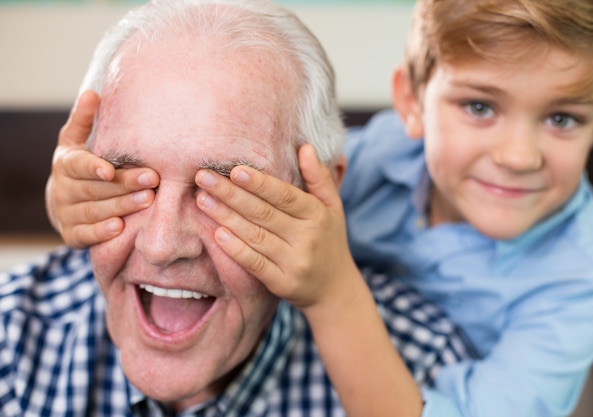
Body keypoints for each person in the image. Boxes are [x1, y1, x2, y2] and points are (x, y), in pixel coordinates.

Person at [44, 0, 593, 416]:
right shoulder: (385, 154)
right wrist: (70, 197)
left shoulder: (589, 278)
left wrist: (331, 291)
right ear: (411, 104)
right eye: (479, 107)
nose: (517, 155)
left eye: (561, 118)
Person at [3, 0, 475, 416]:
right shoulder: (9, 336)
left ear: (320, 196)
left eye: (227, 189)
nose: (163, 245)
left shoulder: (427, 372)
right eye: (126, 178)